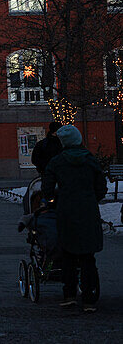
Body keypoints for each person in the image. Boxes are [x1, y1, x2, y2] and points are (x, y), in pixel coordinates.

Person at [42, 125, 106, 311]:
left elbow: (47, 188)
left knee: (68, 256)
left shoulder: (57, 162)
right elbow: (101, 187)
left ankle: (69, 294)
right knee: (88, 257)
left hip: (66, 211)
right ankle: (89, 298)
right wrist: (91, 198)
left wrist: (54, 201)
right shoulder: (90, 160)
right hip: (87, 211)